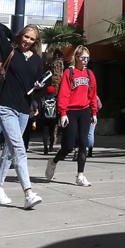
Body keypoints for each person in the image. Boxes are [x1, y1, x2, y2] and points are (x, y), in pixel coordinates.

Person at [0, 22, 46, 209]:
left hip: (24, 110)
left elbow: (36, 85)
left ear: (36, 41)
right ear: (21, 35)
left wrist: (37, 96)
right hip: (6, 107)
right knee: (19, 149)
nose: (27, 41)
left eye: (32, 39)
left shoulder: (37, 60)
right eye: (25, 36)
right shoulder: (10, 51)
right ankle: (28, 192)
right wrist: (15, 36)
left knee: (10, 149)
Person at [46, 45, 97, 187]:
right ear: (76, 57)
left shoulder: (89, 74)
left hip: (85, 111)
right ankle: (53, 161)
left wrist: (94, 112)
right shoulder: (69, 73)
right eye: (83, 58)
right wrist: (63, 113)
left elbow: (92, 94)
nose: (85, 61)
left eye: (87, 58)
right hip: (70, 112)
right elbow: (64, 93)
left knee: (83, 143)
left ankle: (80, 175)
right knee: (68, 146)